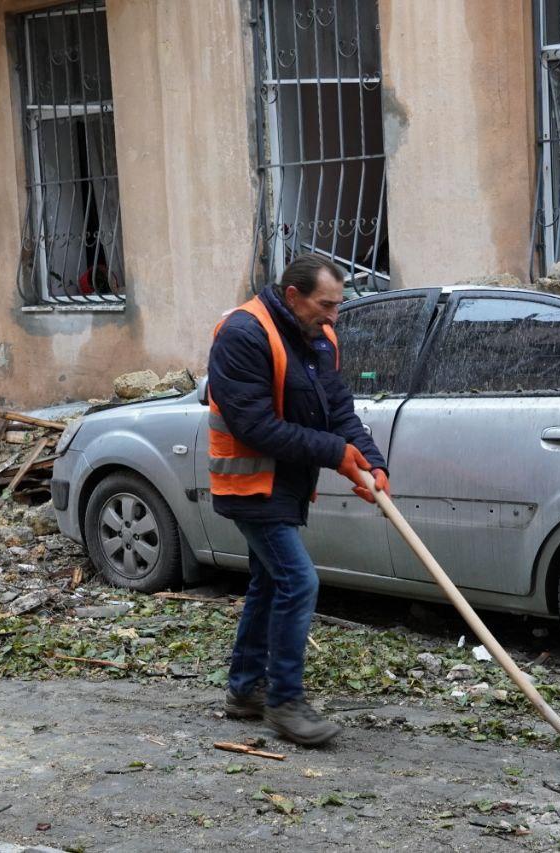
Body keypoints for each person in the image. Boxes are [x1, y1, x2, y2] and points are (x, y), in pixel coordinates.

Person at [207, 254, 389, 745]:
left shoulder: (319, 336)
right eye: (325, 304)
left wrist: (371, 461)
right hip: (249, 484)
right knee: (299, 582)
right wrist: (336, 453)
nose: (334, 315)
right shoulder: (243, 333)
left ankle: (245, 691)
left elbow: (339, 411)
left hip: (286, 483)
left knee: (269, 583)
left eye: (338, 304)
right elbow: (254, 425)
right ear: (293, 296)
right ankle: (285, 704)